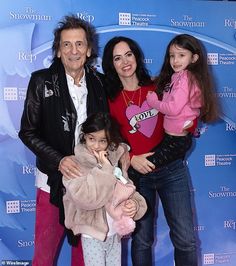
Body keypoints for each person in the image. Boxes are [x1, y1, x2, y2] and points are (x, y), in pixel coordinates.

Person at [102, 36, 202, 266]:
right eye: (117, 58)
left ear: (136, 56)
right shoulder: (109, 99)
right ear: (111, 64)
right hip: (137, 177)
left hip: (171, 171)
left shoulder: (158, 86)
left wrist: (191, 126)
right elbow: (108, 140)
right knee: (142, 241)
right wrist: (130, 158)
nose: (125, 62)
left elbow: (185, 113)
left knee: (185, 240)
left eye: (129, 54)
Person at [18, 15, 109, 266]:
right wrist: (59, 160)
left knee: (85, 258)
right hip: (52, 182)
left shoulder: (99, 83)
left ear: (89, 49)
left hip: (89, 185)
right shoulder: (40, 81)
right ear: (58, 51)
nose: (73, 51)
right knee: (44, 257)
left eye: (79, 44)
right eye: (66, 44)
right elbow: (27, 132)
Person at [62, 112, 147, 266]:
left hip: (115, 233)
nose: (96, 145)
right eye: (91, 139)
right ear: (84, 137)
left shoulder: (115, 161)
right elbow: (87, 199)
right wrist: (105, 170)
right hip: (92, 234)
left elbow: (128, 189)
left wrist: (135, 205)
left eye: (102, 141)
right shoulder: (75, 164)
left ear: (109, 141)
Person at [146, 34, 218, 167]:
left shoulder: (185, 78)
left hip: (176, 140)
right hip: (173, 138)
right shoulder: (179, 76)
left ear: (194, 58)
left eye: (181, 55)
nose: (175, 60)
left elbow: (173, 109)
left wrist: (153, 102)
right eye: (172, 55)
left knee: (144, 167)